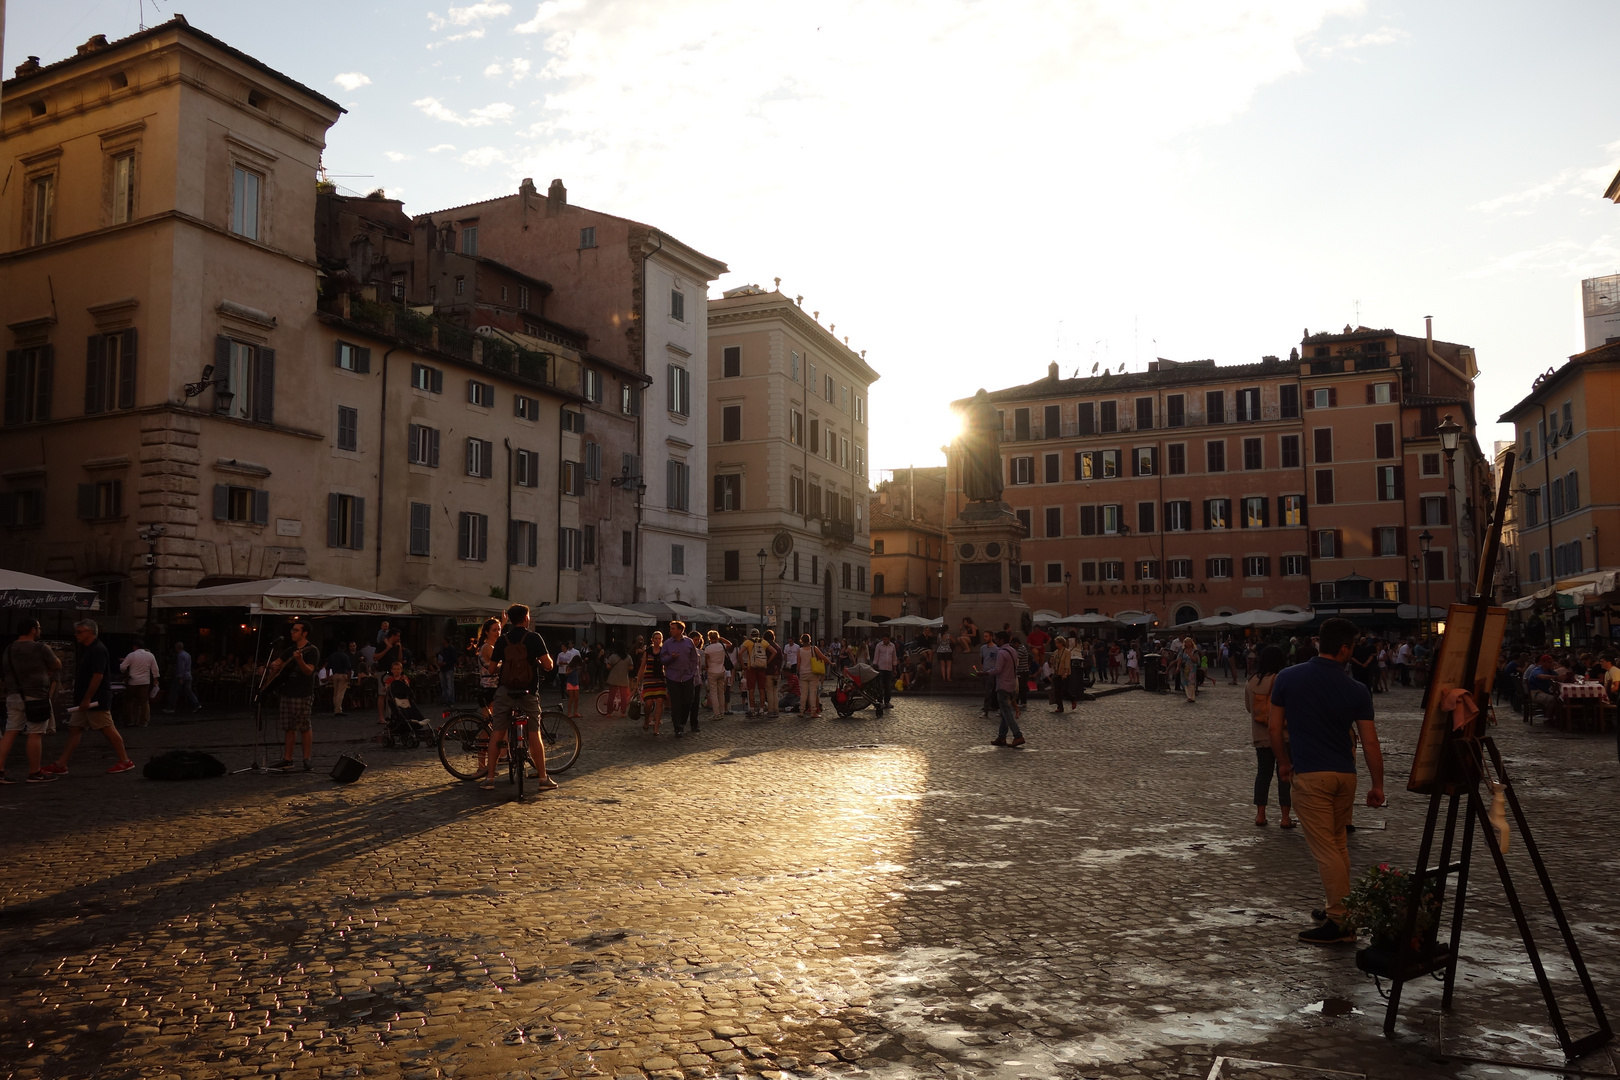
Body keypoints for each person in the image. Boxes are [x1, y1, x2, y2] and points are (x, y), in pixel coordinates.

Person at [1269, 617, 1385, 944]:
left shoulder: (1288, 678)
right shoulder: (1357, 689)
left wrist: (1284, 763)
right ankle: (1339, 907)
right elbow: (1371, 742)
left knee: (1325, 850)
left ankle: (1340, 922)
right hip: (1344, 775)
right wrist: (1377, 785)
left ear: (1320, 642)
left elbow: (1275, 729)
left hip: (1311, 775)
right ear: (1345, 648)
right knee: (1337, 844)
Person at [45, 619, 135, 776]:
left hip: (95, 700)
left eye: (79, 632)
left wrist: (88, 698)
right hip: (86, 699)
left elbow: (98, 675)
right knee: (74, 729)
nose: (76, 635)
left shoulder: (97, 650)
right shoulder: (90, 649)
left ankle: (125, 761)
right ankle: (61, 764)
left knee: (107, 728)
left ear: (90, 632)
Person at [483, 604, 557, 792]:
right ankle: (542, 778)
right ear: (525, 618)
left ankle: (489, 779)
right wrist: (538, 661)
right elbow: (549, 665)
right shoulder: (534, 638)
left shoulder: (502, 640)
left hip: (505, 692)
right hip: (528, 692)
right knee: (534, 733)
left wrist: (504, 666)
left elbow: (491, 669)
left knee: (497, 733)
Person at [1, 618, 62, 783]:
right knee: (35, 734)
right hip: (36, 696)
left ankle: (0, 771)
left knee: (10, 732)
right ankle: (34, 772)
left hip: (14, 695)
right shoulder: (40, 648)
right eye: (39, 628)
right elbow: (57, 664)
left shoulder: (9, 648)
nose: (40, 630)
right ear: (33, 630)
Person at [1247, 645, 1292, 828]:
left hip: (1261, 735)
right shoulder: (1284, 679)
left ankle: (1260, 814)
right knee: (1285, 773)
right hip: (1284, 735)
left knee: (1263, 774)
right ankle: (1285, 817)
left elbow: (1249, 708)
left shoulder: (1251, 682)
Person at [269, 620, 320, 771]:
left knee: (304, 726)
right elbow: (277, 662)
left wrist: (299, 660)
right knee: (288, 727)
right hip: (287, 691)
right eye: (292, 630)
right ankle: (288, 759)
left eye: (296, 630)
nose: (292, 632)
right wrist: (273, 666)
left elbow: (309, 671)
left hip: (302, 693)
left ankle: (306, 758)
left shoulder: (312, 651)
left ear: (304, 633)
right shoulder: (290, 649)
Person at [660, 621, 703, 737]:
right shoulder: (668, 643)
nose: (671, 631)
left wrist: (692, 671)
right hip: (672, 677)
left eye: (673, 628)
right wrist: (670, 657)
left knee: (688, 700)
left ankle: (682, 721)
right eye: (671, 628)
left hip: (687, 676)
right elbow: (662, 659)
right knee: (676, 703)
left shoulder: (689, 642)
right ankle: (677, 727)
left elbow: (694, 658)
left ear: (680, 630)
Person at [988, 631, 1025, 748]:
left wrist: (985, 673)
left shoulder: (1001, 653)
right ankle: (1002, 737)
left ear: (1002, 640)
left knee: (1007, 713)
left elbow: (998, 670)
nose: (995, 641)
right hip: (1012, 684)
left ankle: (1018, 735)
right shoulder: (1013, 651)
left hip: (1003, 685)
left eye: (997, 639)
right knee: (1005, 713)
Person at [119, 638, 159, 728]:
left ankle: (130, 720)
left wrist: (126, 673)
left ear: (134, 647)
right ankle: (143, 722)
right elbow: (155, 669)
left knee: (129, 701)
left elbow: (122, 667)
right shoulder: (150, 655)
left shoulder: (131, 655)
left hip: (133, 681)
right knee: (144, 702)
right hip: (145, 682)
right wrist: (156, 679)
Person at [639, 630, 668, 735]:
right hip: (649, 679)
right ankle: (647, 719)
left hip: (660, 678)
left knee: (660, 701)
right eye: (655, 638)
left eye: (659, 638)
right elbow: (642, 667)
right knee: (648, 703)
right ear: (652, 640)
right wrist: (638, 681)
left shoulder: (663, 651)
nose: (657, 640)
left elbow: (667, 665)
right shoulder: (647, 652)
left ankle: (656, 728)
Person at [374, 629, 405, 726]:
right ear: (393, 636)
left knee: (391, 695)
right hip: (383, 672)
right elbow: (375, 657)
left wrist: (399, 648)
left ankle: (390, 715)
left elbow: (399, 660)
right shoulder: (383, 644)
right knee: (382, 694)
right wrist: (387, 648)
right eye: (398, 636)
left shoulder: (396, 646)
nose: (399, 638)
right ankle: (381, 717)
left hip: (393, 673)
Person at [740, 628, 772, 718]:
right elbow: (774, 652)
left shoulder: (748, 642)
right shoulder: (764, 642)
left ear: (750, 635)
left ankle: (752, 710)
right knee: (762, 690)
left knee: (751, 690)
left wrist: (743, 665)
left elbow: (740, 653)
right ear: (759, 635)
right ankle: (761, 710)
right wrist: (767, 662)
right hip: (762, 667)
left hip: (751, 667)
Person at [702, 630, 732, 718]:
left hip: (712, 671)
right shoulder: (722, 646)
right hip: (721, 671)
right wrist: (722, 639)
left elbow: (707, 660)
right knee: (721, 692)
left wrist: (707, 667)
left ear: (709, 638)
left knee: (714, 693)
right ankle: (722, 711)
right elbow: (730, 644)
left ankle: (716, 713)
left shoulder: (708, 648)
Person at [165, 641, 201, 714]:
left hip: (182, 676)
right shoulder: (187, 655)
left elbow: (181, 667)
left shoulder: (180, 656)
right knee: (188, 691)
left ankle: (171, 707)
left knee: (174, 691)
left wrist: (180, 677)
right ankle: (196, 704)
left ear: (176, 647)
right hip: (188, 675)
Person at [798, 634, 829, 717]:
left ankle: (801, 711)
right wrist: (830, 663)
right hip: (813, 673)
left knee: (803, 693)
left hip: (803, 673)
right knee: (813, 693)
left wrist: (799, 672)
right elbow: (822, 657)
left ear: (802, 641)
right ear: (810, 640)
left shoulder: (800, 650)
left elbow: (798, 664)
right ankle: (813, 712)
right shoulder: (814, 648)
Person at [871, 630, 898, 716]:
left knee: (888, 686)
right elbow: (876, 656)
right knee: (880, 685)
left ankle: (887, 701)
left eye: (886, 639)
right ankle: (879, 701)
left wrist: (895, 669)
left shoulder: (892, 646)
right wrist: (875, 666)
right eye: (883, 639)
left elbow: (894, 658)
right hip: (880, 668)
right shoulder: (879, 646)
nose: (885, 641)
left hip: (889, 668)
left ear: (889, 639)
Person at [325, 642, 353, 715]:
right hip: (342, 674)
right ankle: (338, 709)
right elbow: (349, 668)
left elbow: (327, 668)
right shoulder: (345, 656)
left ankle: (336, 708)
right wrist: (349, 677)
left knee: (335, 693)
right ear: (345, 648)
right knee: (340, 693)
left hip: (335, 674)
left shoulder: (332, 656)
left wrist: (328, 677)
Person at [762, 628, 784, 719]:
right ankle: (776, 710)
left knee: (769, 692)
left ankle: (770, 710)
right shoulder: (777, 646)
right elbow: (781, 659)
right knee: (775, 691)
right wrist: (778, 669)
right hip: (777, 673)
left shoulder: (766, 646)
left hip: (768, 671)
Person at [435, 639, 460, 706]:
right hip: (443, 668)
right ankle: (445, 699)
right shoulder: (443, 649)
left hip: (448, 668)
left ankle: (450, 700)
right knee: (444, 685)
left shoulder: (451, 650)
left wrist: (446, 663)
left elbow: (454, 659)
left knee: (449, 685)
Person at [1181, 637, 1199, 703]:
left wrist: (1190, 655)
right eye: (1186, 642)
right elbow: (1180, 658)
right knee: (1185, 682)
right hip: (1185, 667)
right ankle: (1188, 696)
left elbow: (1196, 660)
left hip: (1192, 667)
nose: (1188, 644)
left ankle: (1192, 696)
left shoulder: (1195, 651)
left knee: (1191, 681)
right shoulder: (1183, 650)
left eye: (1189, 642)